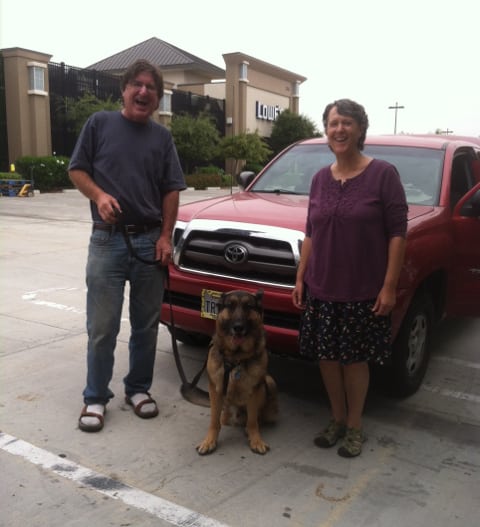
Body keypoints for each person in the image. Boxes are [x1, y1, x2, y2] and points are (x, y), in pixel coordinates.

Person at [68, 59, 186, 432]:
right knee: (102, 326)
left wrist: (166, 236)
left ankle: (137, 389)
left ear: (158, 97)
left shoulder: (162, 138)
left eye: (151, 88)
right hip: (107, 240)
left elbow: (171, 189)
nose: (143, 92)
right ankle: (95, 397)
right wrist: (100, 196)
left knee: (146, 326)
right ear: (124, 88)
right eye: (137, 84)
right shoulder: (99, 124)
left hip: (150, 241)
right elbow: (76, 169)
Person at [292, 99, 408, 457]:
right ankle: (337, 419)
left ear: (360, 129)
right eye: (332, 123)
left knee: (354, 360)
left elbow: (397, 234)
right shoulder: (319, 179)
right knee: (327, 358)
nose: (338, 129)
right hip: (322, 285)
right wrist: (300, 278)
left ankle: (355, 425)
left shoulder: (383, 175)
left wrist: (389, 286)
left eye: (346, 122)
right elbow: (311, 232)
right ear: (326, 132)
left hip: (362, 288)